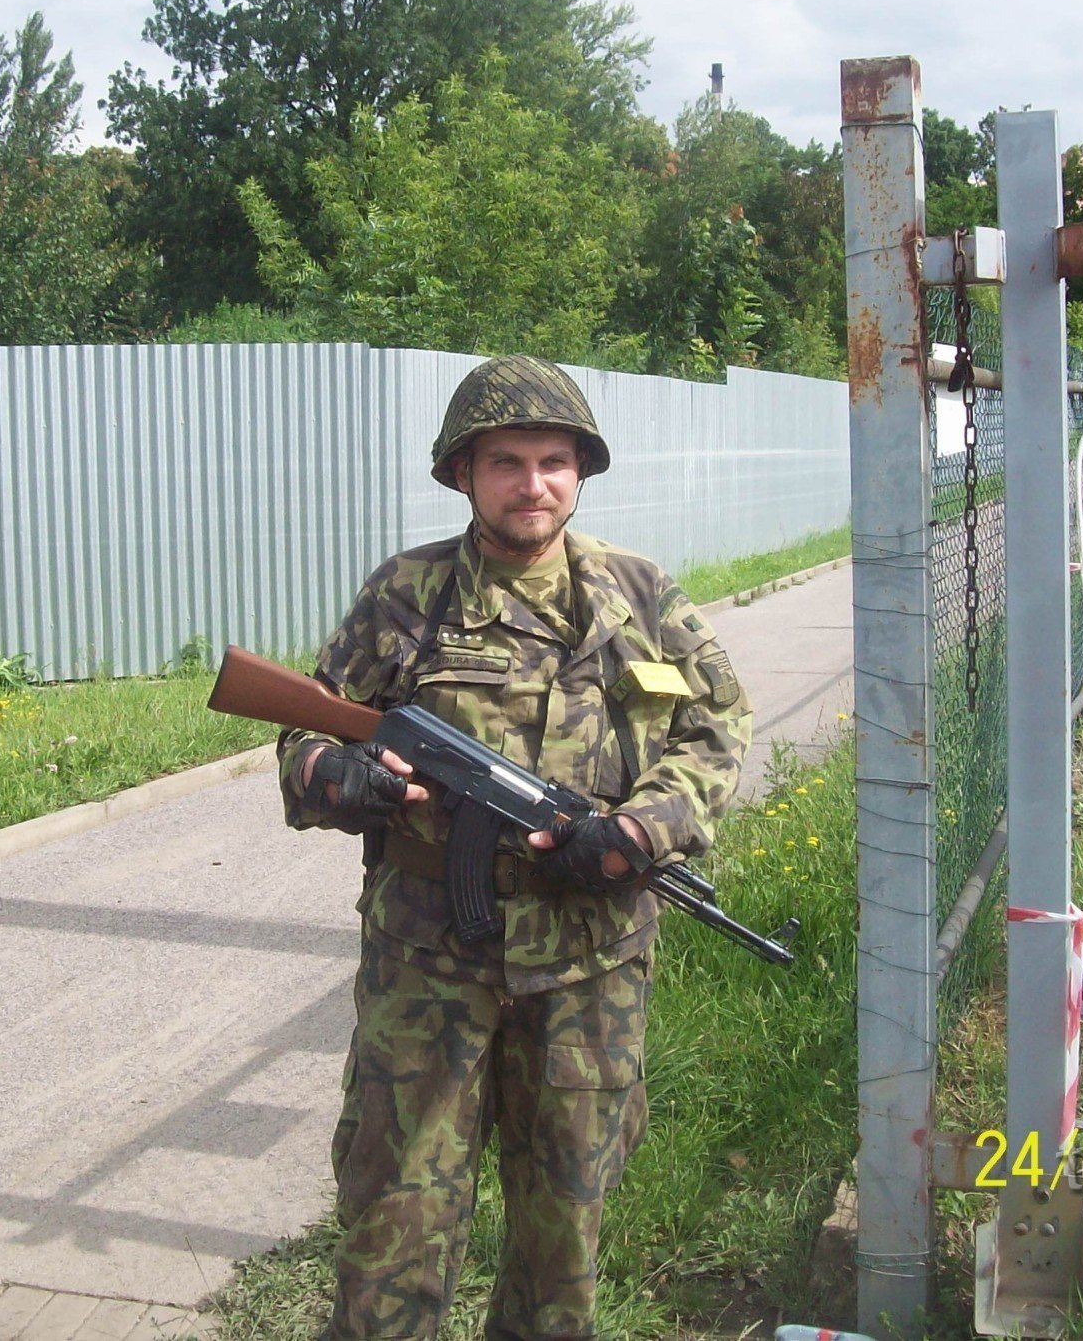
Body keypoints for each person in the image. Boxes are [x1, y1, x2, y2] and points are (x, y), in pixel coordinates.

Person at [275, 355, 753, 1340]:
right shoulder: (404, 598)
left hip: (588, 967)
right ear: (463, 475)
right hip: (426, 966)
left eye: (550, 461)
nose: (530, 483)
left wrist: (633, 831)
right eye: (505, 462)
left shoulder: (636, 599)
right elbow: (306, 729)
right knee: (394, 1220)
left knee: (560, 1238)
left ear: (578, 472)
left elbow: (712, 733)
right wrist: (340, 779)